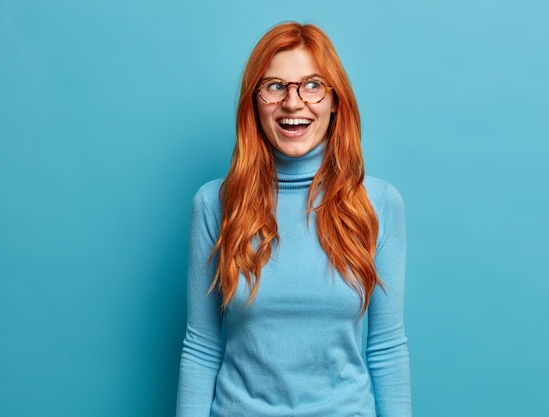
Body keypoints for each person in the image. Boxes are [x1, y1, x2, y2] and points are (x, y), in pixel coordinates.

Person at [176, 22, 411, 417]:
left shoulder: (378, 203)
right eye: (275, 86)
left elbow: (387, 347)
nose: (293, 102)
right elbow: (201, 347)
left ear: (336, 101)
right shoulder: (214, 204)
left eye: (312, 85)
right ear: (255, 102)